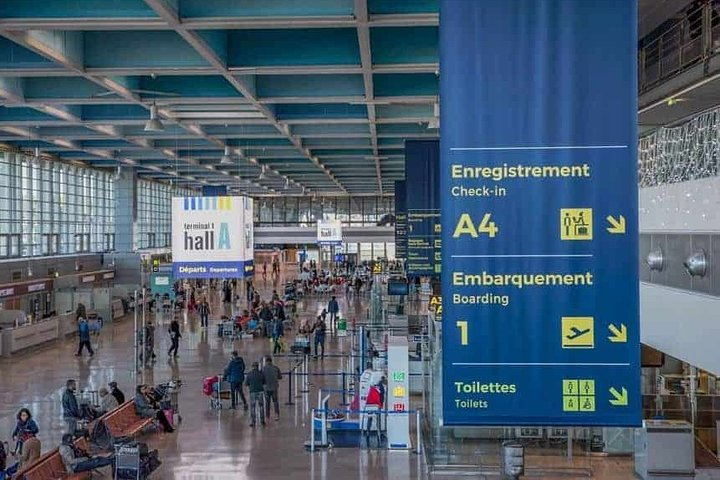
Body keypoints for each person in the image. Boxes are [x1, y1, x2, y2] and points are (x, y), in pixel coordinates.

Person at [245, 362, 265, 427]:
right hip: (260, 391)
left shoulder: (249, 374)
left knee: (253, 407)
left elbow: (246, 383)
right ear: (257, 366)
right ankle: (262, 421)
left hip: (252, 391)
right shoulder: (261, 374)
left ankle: (253, 421)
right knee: (261, 406)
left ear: (252, 367)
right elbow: (264, 382)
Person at [262, 356, 282, 421]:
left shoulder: (263, 369)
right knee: (275, 401)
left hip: (266, 388)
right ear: (271, 361)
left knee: (267, 402)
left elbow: (261, 378)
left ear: (266, 362)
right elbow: (280, 377)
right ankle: (277, 415)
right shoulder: (276, 368)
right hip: (274, 387)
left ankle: (267, 416)